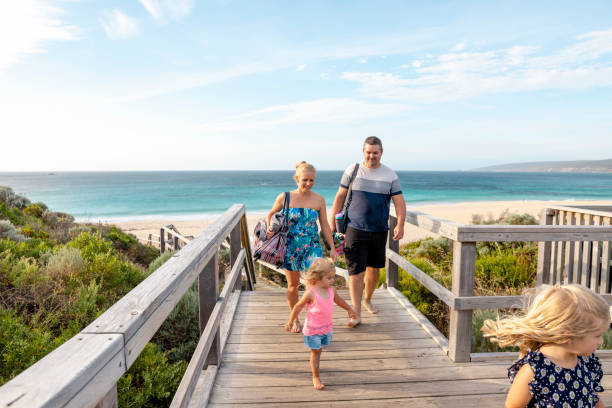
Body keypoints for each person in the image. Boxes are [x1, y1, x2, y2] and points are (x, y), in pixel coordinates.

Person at [481, 284, 610, 408]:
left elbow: (593, 397)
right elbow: (513, 406)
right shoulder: (535, 370)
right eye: (597, 335)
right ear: (569, 336)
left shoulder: (585, 362)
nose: (601, 341)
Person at [328, 136, 406, 327]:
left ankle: (368, 299)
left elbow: (399, 202)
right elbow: (340, 197)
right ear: (363, 152)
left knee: (374, 269)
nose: (372, 156)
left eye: (375, 152)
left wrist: (400, 224)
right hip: (354, 228)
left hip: (379, 229)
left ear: (381, 152)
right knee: (355, 271)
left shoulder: (390, 175)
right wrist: (332, 224)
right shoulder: (352, 170)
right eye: (368, 152)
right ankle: (356, 312)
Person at [267, 161, 337, 333]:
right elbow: (270, 214)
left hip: (312, 247)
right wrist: (269, 227)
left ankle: (312, 319)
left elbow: (325, 226)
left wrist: (332, 248)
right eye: (305, 180)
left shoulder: (319, 199)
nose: (308, 184)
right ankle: (295, 318)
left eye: (312, 180)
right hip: (290, 247)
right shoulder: (284, 197)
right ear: (296, 178)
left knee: (313, 285)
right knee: (293, 285)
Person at [285, 258, 356, 390]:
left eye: (333, 277)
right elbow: (298, 307)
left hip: (326, 328)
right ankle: (315, 376)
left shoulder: (331, 290)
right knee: (316, 353)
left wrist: (349, 309)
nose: (332, 280)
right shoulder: (311, 293)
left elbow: (339, 301)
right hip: (313, 330)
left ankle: (315, 369)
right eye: (329, 278)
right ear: (317, 278)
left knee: (320, 350)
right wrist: (291, 320)